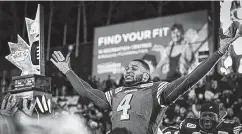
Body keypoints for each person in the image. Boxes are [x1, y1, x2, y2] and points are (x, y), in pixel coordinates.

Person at [50, 21, 242, 134]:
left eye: (134, 67)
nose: (127, 70)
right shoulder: (117, 92)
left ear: (146, 74)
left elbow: (189, 79)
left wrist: (218, 52)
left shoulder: (157, 89)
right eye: (126, 68)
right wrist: (68, 71)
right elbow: (88, 93)